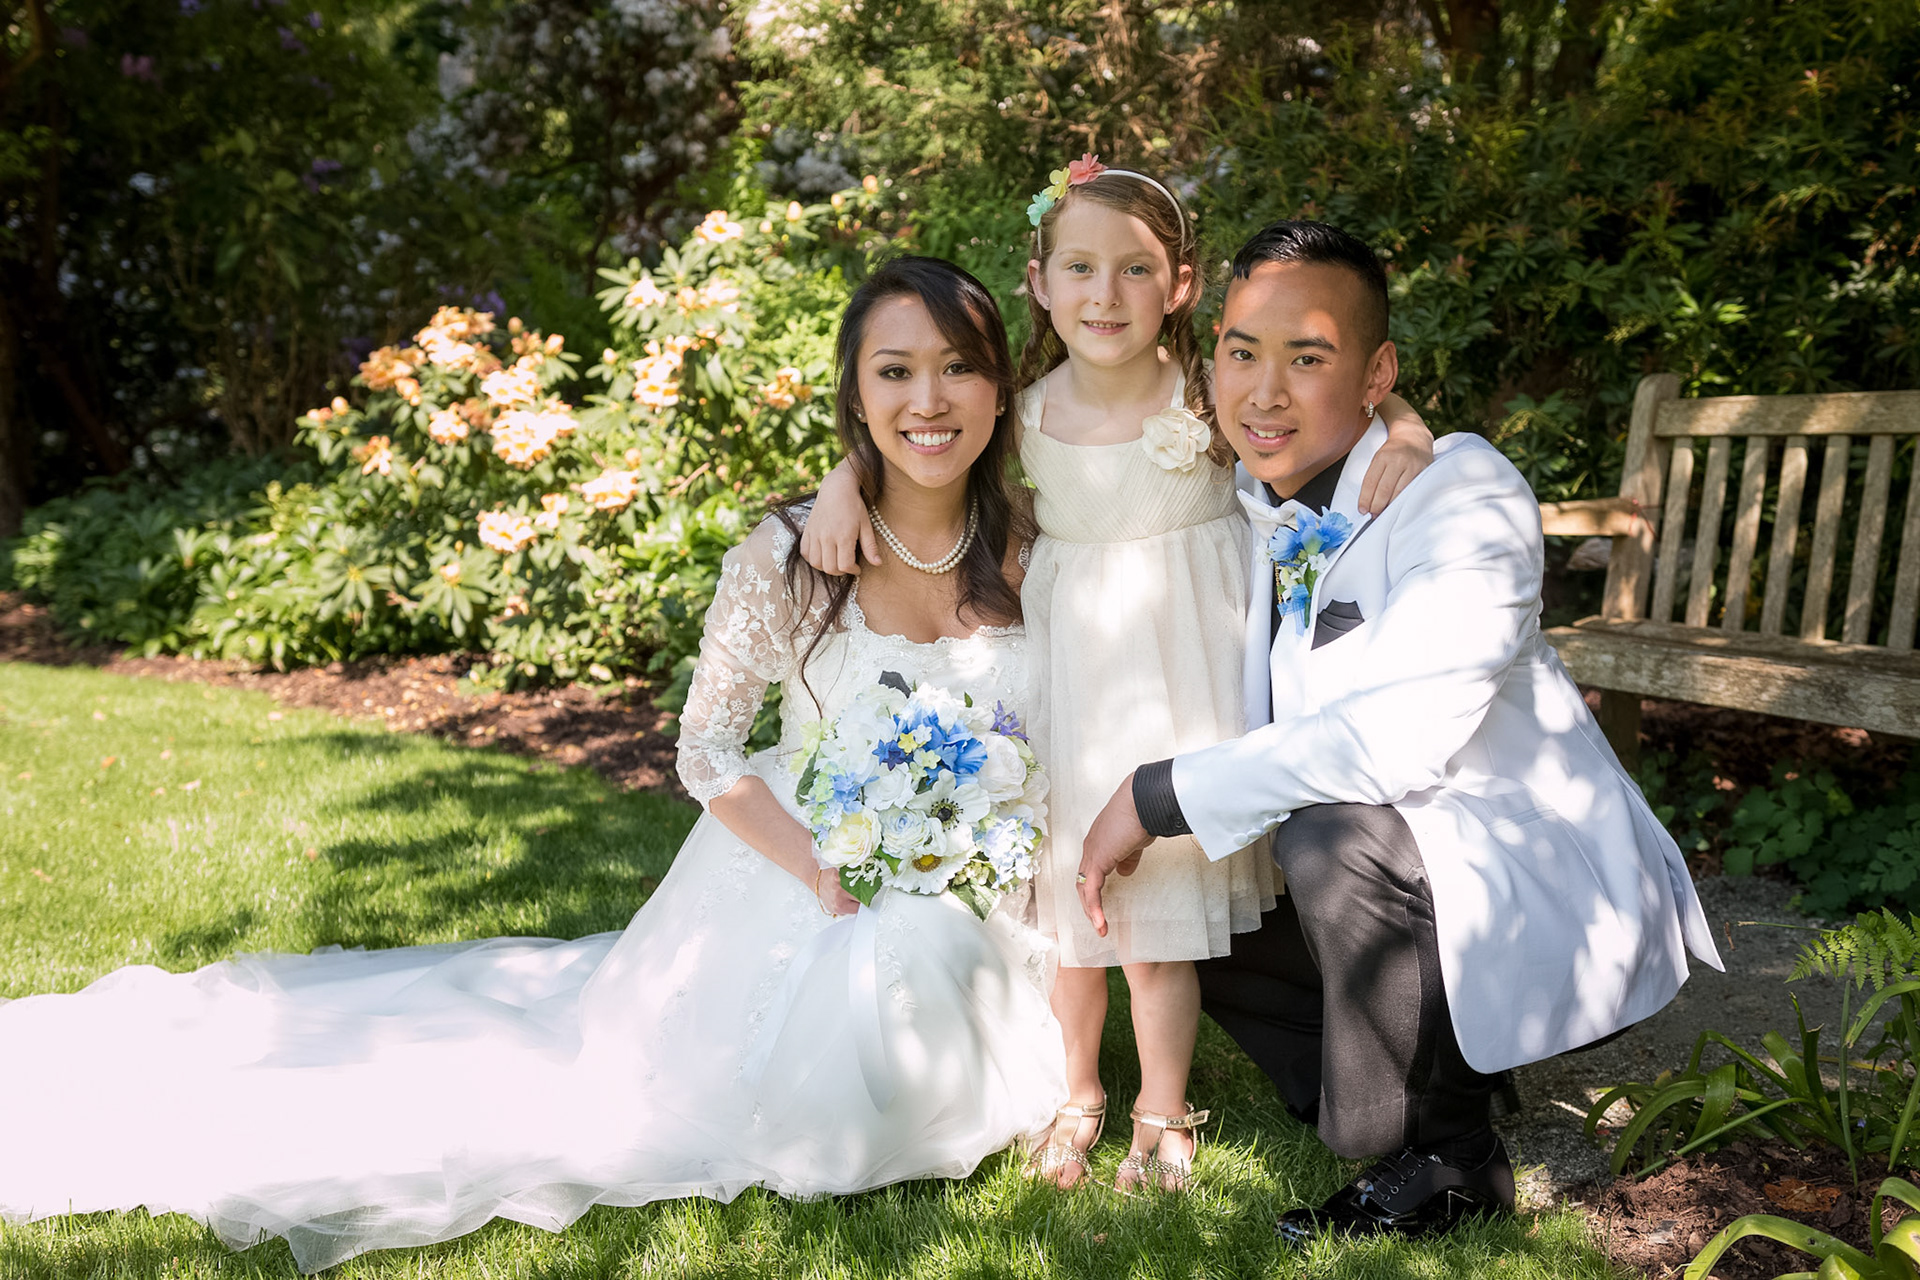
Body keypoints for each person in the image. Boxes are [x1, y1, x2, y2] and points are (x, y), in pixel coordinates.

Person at [0, 256, 1067, 1272]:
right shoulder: (788, 556)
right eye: (895, 371)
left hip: (990, 864)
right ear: (855, 396)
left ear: (1000, 388)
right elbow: (705, 751)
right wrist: (819, 868)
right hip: (814, 867)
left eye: (958, 367)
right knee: (843, 1066)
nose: (930, 399)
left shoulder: (1042, 546)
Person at [1075, 219, 1723, 1239]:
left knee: (1326, 839)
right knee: (1190, 897)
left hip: (1505, 861)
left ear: (1376, 373)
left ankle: (1449, 1157)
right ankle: (1410, 1078)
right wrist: (850, 484)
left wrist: (1156, 792)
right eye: (1242, 353)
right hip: (1401, 865)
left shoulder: (1460, 492)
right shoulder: (1243, 484)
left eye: (1308, 358)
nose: (1265, 391)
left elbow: (1398, 739)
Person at [803, 157, 1437, 1193]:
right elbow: (926, 438)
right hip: (1073, 676)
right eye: (1080, 268)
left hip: (1183, 678)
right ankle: (1077, 1091)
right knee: (1070, 913)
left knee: (1157, 921)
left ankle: (1163, 1103)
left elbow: (1351, 392)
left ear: (1181, 285)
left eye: (1136, 269)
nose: (1106, 294)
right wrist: (843, 479)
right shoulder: (1021, 408)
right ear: (1039, 282)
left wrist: (1406, 430)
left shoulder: (1209, 391)